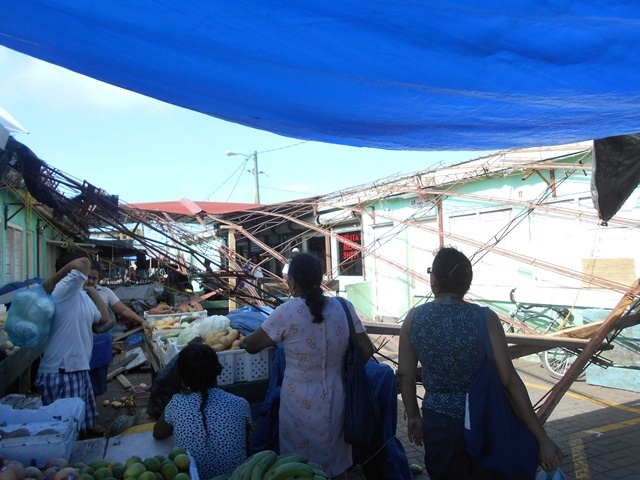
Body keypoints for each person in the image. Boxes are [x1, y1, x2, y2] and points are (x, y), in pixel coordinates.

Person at [397, 247, 564, 479]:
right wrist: (541, 437)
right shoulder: (485, 318)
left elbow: (405, 376)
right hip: (485, 416)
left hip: (438, 420)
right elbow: (509, 381)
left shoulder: (413, 319)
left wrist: (414, 415)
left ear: (433, 279)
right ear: (467, 282)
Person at [242, 253, 375, 480]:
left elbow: (251, 345)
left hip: (298, 403)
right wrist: (341, 372)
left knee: (299, 468)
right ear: (320, 278)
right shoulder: (344, 307)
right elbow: (366, 349)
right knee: (337, 465)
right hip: (337, 396)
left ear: (292, 281)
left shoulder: (287, 312)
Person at [35, 252, 111, 434]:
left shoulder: (81, 295)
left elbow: (104, 318)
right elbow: (84, 261)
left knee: (79, 428)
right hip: (62, 370)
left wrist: (92, 290)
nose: (88, 278)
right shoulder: (61, 290)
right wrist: (54, 279)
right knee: (65, 431)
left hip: (78, 368)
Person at [153, 343, 252, 479]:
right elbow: (244, 445)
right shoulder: (241, 404)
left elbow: (158, 433)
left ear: (182, 375)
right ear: (219, 370)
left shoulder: (177, 403)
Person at [85, 260, 152, 402]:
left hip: (100, 343)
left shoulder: (105, 292)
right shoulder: (76, 293)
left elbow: (122, 309)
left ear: (99, 278)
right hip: (81, 342)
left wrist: (142, 321)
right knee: (83, 378)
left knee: (97, 380)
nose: (91, 281)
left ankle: (91, 410)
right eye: (88, 277)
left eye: (94, 278)